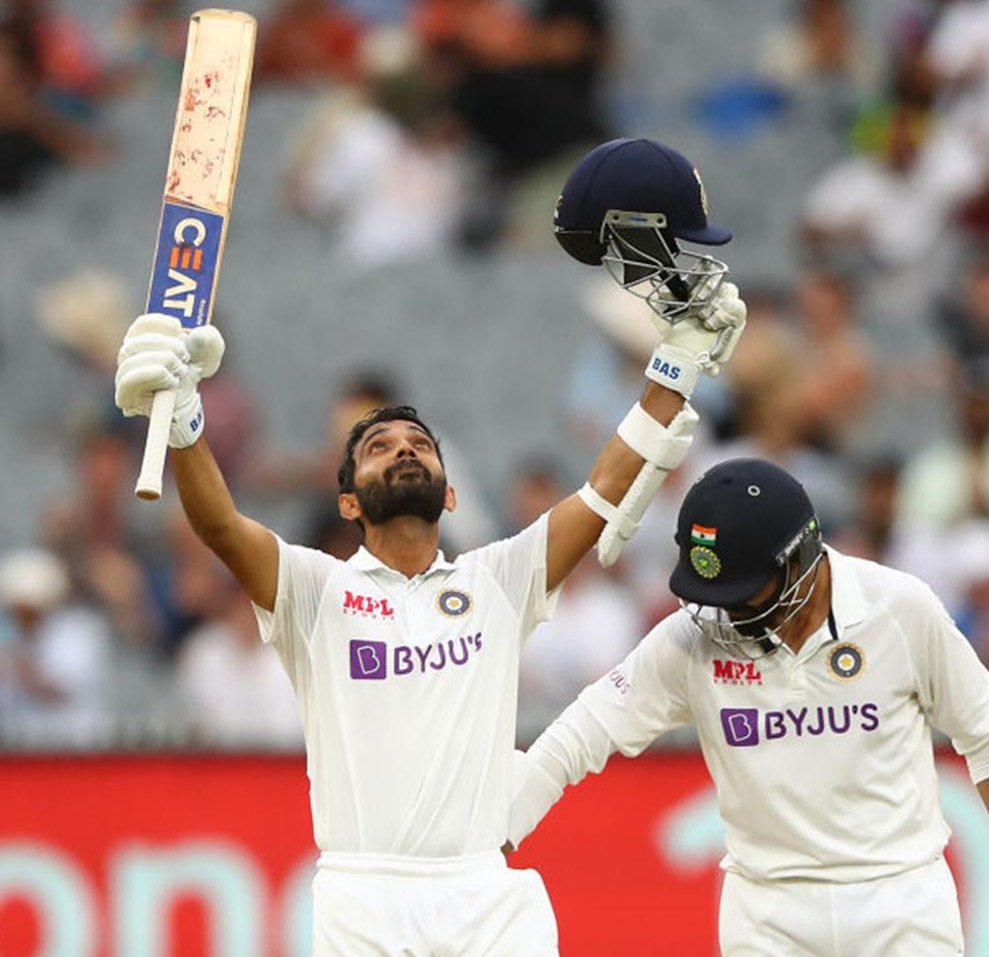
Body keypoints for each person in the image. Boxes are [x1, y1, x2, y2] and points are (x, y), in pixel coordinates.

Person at [112, 137, 747, 957]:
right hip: (361, 897)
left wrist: (680, 358)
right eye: (379, 448)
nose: (403, 449)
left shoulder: (500, 578)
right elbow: (222, 528)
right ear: (347, 501)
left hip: (487, 893)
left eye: (418, 443)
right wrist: (183, 418)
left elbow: (606, 486)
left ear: (450, 492)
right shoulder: (316, 593)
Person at [509, 458, 989, 957]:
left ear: (798, 559)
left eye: (741, 591)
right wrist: (499, 831)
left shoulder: (899, 608)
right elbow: (582, 732)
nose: (723, 615)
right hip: (768, 912)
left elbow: (987, 735)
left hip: (900, 898)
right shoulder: (693, 639)